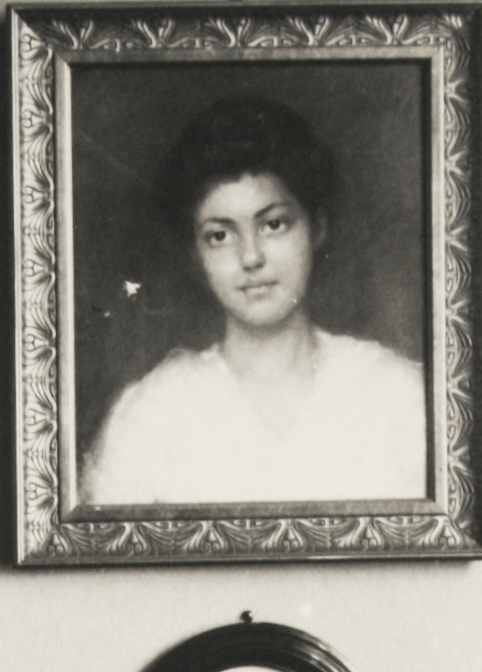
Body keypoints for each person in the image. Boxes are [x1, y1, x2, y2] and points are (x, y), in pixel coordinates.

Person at [80, 95, 428, 508]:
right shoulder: (152, 416)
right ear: (197, 253)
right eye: (220, 235)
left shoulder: (397, 396)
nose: (251, 257)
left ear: (316, 227)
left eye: (274, 224)